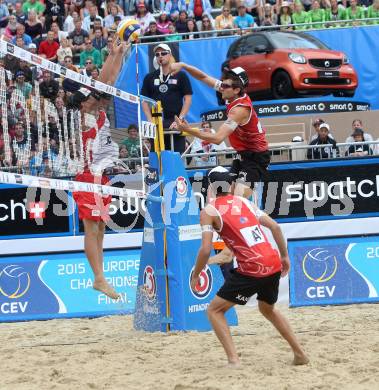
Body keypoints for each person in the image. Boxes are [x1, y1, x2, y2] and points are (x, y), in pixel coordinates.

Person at [191, 166, 309, 366]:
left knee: (214, 310)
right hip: (272, 261)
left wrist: (196, 274)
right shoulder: (244, 202)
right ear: (232, 185)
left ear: (210, 188)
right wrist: (285, 257)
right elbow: (275, 227)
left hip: (251, 267)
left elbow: (205, 249)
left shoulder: (208, 211)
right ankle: (300, 354)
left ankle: (234, 360)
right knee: (267, 309)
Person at [71, 39, 129, 300]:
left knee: (101, 229)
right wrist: (111, 56)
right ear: (84, 104)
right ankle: (99, 278)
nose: (96, 100)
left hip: (101, 177)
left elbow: (108, 84)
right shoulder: (83, 117)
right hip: (87, 177)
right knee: (91, 229)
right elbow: (101, 85)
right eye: (91, 99)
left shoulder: (99, 113)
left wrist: (117, 54)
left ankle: (100, 277)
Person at [171, 63, 270, 199]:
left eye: (225, 85)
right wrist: (184, 66)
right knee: (227, 197)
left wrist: (188, 130)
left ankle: (256, 218)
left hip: (256, 157)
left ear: (236, 89)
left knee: (238, 200)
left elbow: (218, 138)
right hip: (243, 155)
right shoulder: (231, 92)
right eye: (221, 84)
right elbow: (203, 77)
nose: (221, 87)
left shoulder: (239, 110)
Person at [141, 43, 193, 153]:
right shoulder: (149, 77)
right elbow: (144, 101)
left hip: (174, 122)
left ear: (170, 55)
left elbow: (188, 99)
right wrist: (150, 120)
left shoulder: (181, 76)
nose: (160, 56)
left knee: (176, 156)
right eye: (157, 54)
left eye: (163, 53)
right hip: (156, 122)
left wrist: (180, 119)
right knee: (157, 157)